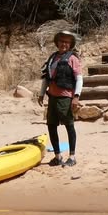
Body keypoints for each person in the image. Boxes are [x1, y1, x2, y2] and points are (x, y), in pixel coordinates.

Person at [38, 30, 83, 167]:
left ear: (70, 44)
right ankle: (57, 156)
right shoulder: (52, 58)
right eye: (61, 41)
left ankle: (72, 156)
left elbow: (79, 78)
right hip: (52, 97)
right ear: (57, 43)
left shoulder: (72, 59)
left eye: (67, 42)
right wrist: (41, 94)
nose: (64, 44)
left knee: (69, 125)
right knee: (51, 126)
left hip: (65, 98)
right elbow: (47, 78)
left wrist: (76, 96)